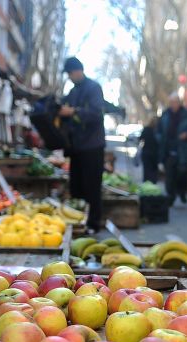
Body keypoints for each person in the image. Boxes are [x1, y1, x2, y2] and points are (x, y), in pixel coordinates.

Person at [60, 56, 105, 233]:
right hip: (77, 148)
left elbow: (95, 113)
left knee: (92, 187)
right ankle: (78, 223)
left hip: (92, 147)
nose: (70, 77)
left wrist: (72, 111)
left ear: (78, 70)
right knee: (76, 187)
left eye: (70, 73)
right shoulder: (72, 92)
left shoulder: (94, 88)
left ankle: (93, 224)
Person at [157, 94, 187, 206]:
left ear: (179, 103)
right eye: (171, 102)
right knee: (169, 176)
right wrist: (161, 140)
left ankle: (182, 191)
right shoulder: (165, 115)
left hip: (182, 151)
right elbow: (159, 131)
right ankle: (171, 196)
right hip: (168, 150)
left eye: (174, 102)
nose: (172, 105)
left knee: (182, 173)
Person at [138, 117, 159, 183]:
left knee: (146, 170)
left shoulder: (147, 129)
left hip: (147, 152)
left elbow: (140, 138)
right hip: (154, 153)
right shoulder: (157, 130)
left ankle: (147, 183)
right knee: (153, 170)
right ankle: (152, 183)